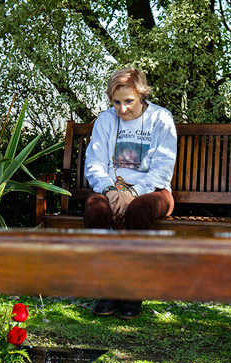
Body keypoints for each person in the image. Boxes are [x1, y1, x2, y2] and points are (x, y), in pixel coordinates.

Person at [84, 67, 177, 319]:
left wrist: (132, 193)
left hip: (153, 191)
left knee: (139, 209)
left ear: (142, 95)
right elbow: (94, 162)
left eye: (129, 102)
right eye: (116, 102)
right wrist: (110, 191)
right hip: (111, 189)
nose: (122, 109)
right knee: (95, 207)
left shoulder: (161, 118)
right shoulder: (105, 120)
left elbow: (162, 169)